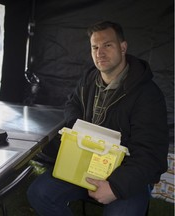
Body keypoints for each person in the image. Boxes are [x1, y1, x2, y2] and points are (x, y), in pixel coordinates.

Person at [27, 21, 169, 216]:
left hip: (126, 176)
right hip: (84, 168)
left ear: (123, 47)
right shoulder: (89, 80)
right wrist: (82, 128)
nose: (100, 52)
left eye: (107, 45)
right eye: (95, 47)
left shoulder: (147, 95)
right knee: (39, 192)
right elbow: (72, 104)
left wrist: (116, 187)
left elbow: (151, 155)